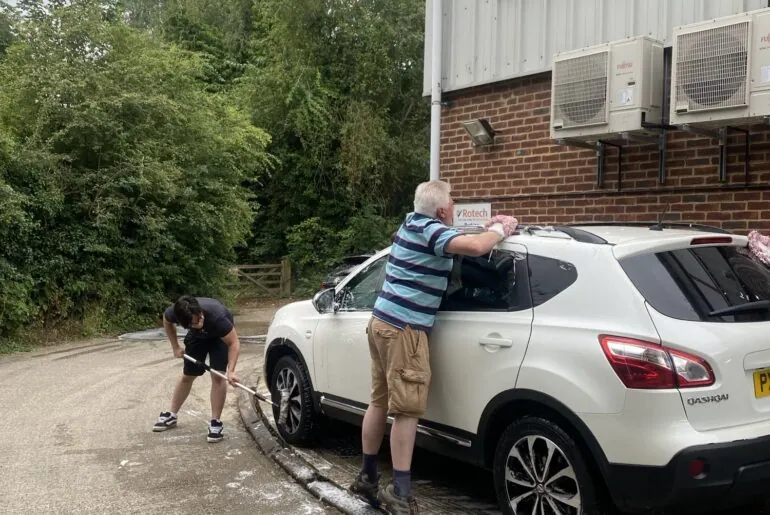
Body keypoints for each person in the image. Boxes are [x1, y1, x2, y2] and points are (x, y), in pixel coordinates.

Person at [349, 180, 517, 513]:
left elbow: (457, 238)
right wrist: (500, 228)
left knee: (379, 401)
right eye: (452, 203)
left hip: (381, 322)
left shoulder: (411, 223)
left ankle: (367, 476)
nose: (454, 206)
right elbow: (475, 248)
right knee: (407, 411)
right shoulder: (434, 231)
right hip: (405, 331)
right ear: (441, 210)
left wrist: (478, 230)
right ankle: (399, 491)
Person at [152, 295, 241, 443]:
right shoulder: (175, 312)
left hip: (219, 339)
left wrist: (231, 371)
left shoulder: (217, 317)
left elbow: (234, 343)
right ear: (185, 323)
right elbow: (167, 321)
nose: (200, 321)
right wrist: (175, 347)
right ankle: (172, 415)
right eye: (195, 322)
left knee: (218, 376)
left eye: (200, 317)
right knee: (188, 376)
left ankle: (215, 422)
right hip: (197, 337)